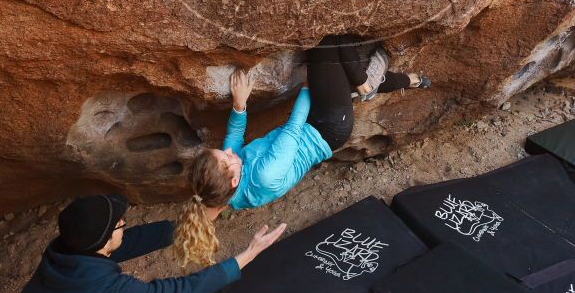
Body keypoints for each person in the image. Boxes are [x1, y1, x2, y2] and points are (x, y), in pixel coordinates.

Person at [173, 35, 430, 268]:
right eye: (226, 158)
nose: (229, 152)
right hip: (330, 126)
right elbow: (293, 129)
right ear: (234, 180)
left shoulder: (227, 191)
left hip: (312, 125)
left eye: (221, 153)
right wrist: (309, 87)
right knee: (327, 45)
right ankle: (365, 84)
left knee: (339, 78)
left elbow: (233, 139)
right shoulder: (265, 176)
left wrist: (240, 104)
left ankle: (413, 80)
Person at [0, 194, 285, 293]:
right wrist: (248, 255)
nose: (123, 223)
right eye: (119, 224)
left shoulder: (64, 249)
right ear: (105, 241)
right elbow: (178, 292)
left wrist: (195, 222)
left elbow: (133, 240)